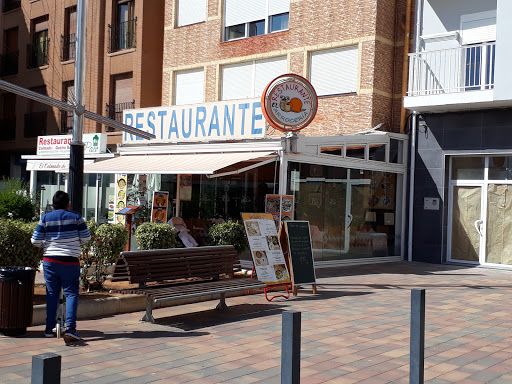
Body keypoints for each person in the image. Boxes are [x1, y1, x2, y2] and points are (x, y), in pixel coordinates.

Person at [31, 191, 91, 342]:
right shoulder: (76, 217)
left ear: (52, 205)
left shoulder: (45, 218)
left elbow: (35, 241)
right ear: (68, 204)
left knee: (52, 293)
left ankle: (48, 329)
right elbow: (86, 238)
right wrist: (75, 243)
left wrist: (47, 244)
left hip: (50, 261)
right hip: (70, 261)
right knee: (71, 293)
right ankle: (70, 328)